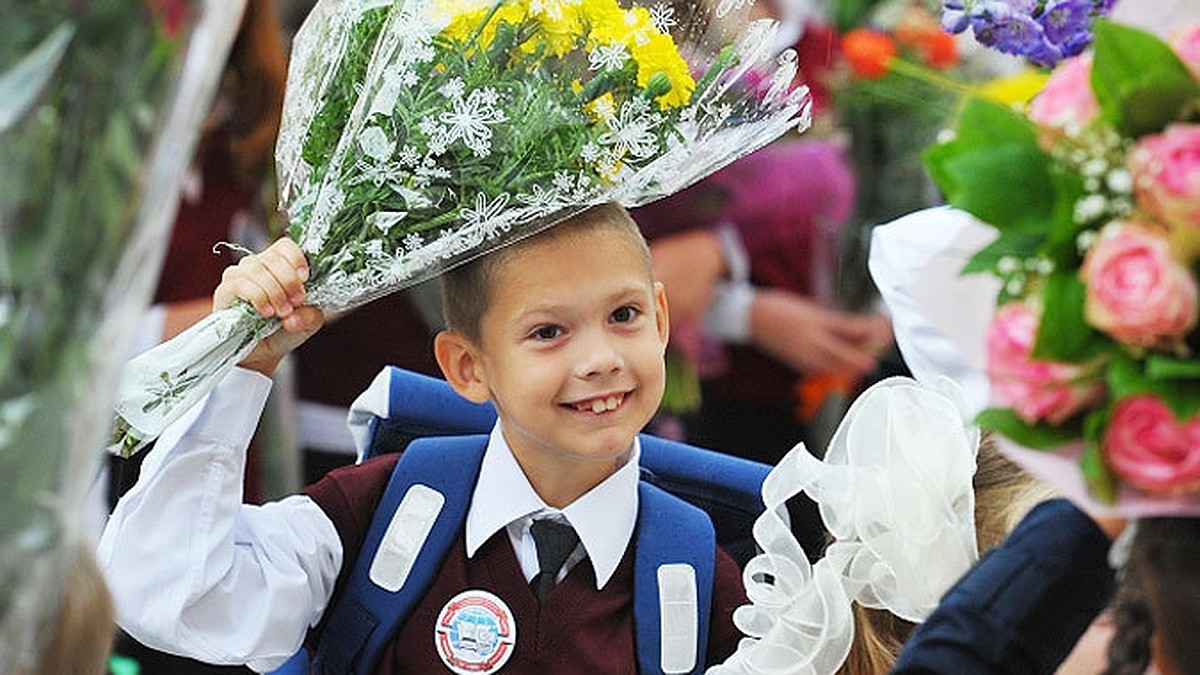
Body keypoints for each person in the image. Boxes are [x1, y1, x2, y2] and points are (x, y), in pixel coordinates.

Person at [97, 203, 748, 672]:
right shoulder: (380, 511)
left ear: (661, 319)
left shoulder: (694, 573)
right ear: (467, 365)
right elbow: (170, 593)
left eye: (624, 315)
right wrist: (245, 362)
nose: (601, 358)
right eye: (549, 331)